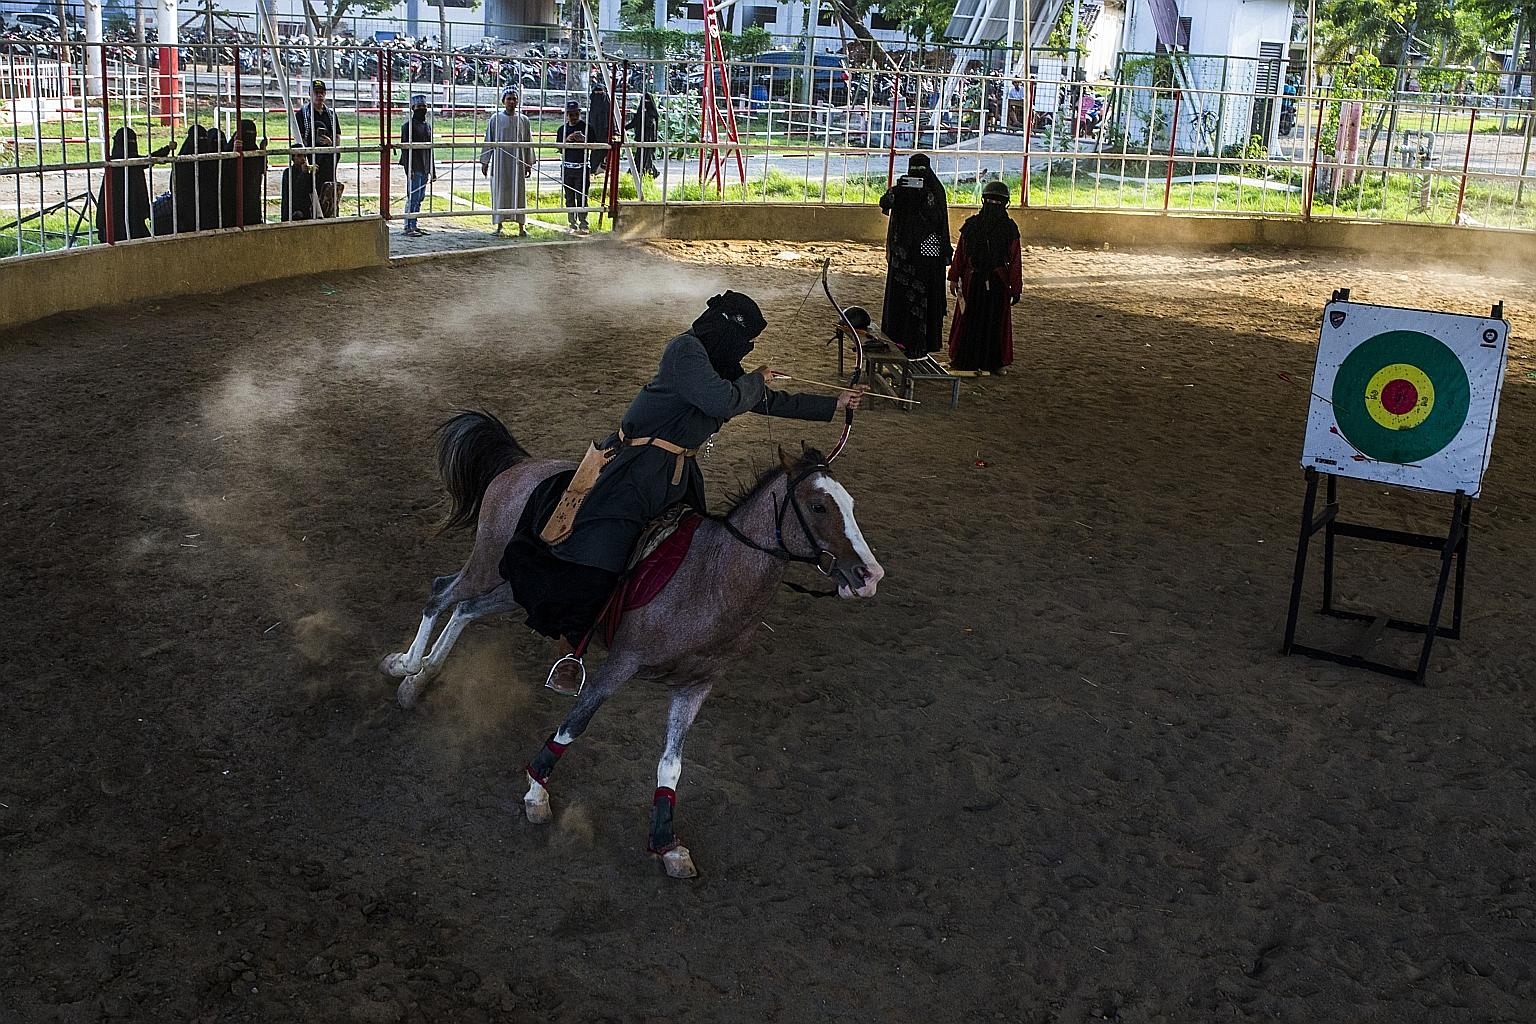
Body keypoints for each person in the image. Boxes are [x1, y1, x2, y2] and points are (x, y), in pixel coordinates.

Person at [500, 291, 862, 692]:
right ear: (726, 329)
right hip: (633, 473)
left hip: (676, 478)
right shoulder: (686, 351)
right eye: (745, 339)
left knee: (689, 557)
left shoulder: (718, 362)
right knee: (600, 552)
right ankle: (570, 650)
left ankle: (664, 632)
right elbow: (722, 400)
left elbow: (763, 399)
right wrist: (755, 379)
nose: (746, 349)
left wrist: (833, 404)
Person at [878, 153, 951, 359]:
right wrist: (900, 190)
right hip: (905, 259)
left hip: (922, 259)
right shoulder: (905, 189)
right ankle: (901, 342)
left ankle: (918, 345)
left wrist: (919, 194)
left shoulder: (933, 192)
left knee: (918, 302)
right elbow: (885, 202)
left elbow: (936, 218)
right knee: (903, 301)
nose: (918, 174)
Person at [947, 180, 1022, 375]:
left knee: (969, 321)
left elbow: (960, 255)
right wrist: (1015, 287)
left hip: (973, 281)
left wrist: (954, 277)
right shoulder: (1009, 228)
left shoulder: (971, 225)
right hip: (998, 282)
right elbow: (1015, 261)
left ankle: (967, 360)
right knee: (993, 322)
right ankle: (993, 363)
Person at [283, 79, 343, 221]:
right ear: (310, 94)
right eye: (316, 93)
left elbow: (337, 137)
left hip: (327, 160)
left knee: (328, 189)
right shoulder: (302, 114)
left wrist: (330, 143)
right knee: (309, 191)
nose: (319, 96)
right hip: (311, 159)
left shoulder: (331, 114)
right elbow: (299, 139)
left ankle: (329, 215)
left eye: (322, 93)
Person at [481, 86, 532, 237]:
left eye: (514, 99)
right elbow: (489, 141)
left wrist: (528, 163)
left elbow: (528, 142)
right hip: (500, 163)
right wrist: (485, 161)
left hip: (518, 162)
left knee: (519, 193)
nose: (512, 102)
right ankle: (499, 225)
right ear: (503, 101)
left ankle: (522, 227)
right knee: (500, 191)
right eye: (509, 99)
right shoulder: (495, 119)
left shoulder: (524, 120)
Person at [94, 127, 154, 242]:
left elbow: (148, 160)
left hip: (124, 220)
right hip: (123, 222)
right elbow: (147, 160)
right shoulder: (121, 163)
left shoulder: (116, 162)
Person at [399, 93, 434, 237]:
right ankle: (408, 226)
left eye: (424, 106)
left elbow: (430, 149)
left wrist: (432, 170)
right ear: (413, 108)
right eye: (419, 106)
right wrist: (409, 168)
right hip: (414, 166)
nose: (422, 109)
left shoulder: (427, 126)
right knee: (412, 197)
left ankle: (414, 224)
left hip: (425, 166)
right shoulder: (407, 126)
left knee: (420, 197)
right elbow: (405, 150)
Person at [556, 99, 590, 234]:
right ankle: (572, 223)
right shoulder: (562, 129)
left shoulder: (587, 127)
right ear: (567, 115)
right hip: (567, 167)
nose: (574, 117)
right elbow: (558, 147)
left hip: (582, 167)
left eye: (576, 114)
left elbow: (595, 144)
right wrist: (568, 139)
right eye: (571, 115)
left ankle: (583, 223)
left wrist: (584, 140)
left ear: (579, 113)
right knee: (569, 197)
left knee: (582, 196)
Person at [627, 91, 659, 177]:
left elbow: (651, 125)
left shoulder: (653, 114)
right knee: (640, 156)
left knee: (646, 156)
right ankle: (641, 171)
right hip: (640, 137)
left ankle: (647, 172)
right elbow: (634, 122)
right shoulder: (640, 112)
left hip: (649, 139)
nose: (646, 103)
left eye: (648, 101)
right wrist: (624, 128)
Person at [586, 78, 611, 177]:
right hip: (594, 131)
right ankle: (594, 168)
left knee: (604, 149)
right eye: (596, 93)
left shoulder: (607, 105)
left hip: (605, 131)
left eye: (600, 93)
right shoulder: (593, 105)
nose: (598, 95)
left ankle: (600, 167)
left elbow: (611, 117)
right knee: (595, 150)